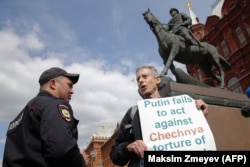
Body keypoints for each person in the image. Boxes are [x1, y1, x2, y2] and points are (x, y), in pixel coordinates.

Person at [110, 65, 208, 167]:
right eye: (138, 79)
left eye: (145, 76)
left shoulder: (177, 107)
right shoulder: (133, 113)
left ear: (157, 80)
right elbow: (115, 156)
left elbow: (191, 137)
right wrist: (127, 147)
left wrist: (199, 117)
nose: (141, 81)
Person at [3, 67, 89, 167]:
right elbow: (61, 149)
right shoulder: (53, 104)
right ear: (53, 84)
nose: (72, 91)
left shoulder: (22, 115)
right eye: (69, 85)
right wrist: (81, 161)